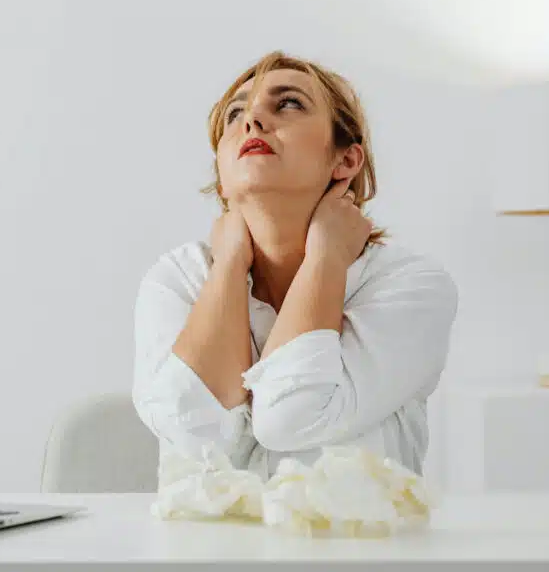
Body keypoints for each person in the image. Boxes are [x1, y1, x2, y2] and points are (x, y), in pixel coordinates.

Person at [132, 51, 457, 484]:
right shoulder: (177, 279)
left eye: (288, 103)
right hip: (205, 550)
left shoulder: (411, 287)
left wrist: (325, 254)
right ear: (222, 175)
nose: (252, 121)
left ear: (345, 161)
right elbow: (197, 436)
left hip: (357, 550)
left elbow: (291, 417)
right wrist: (229, 263)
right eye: (235, 114)